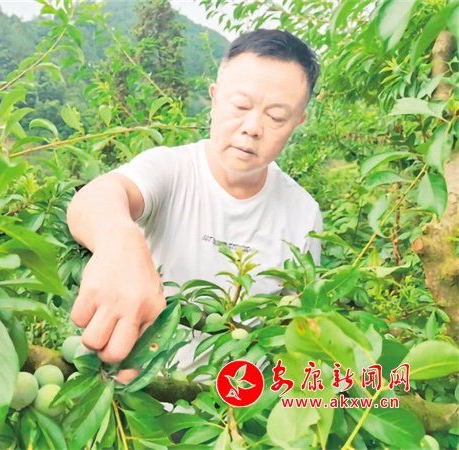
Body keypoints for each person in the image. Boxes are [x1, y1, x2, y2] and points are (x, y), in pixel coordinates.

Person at [66, 29, 322, 379]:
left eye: (276, 117)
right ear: (214, 99)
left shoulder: (303, 214)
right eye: (240, 106)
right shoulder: (171, 169)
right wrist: (119, 243)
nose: (252, 127)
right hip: (141, 394)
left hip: (238, 405)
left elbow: (296, 330)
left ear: (297, 122)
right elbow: (97, 197)